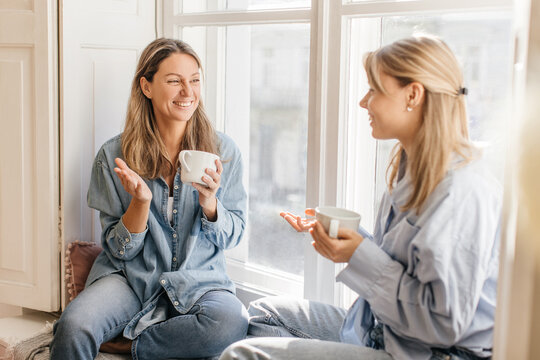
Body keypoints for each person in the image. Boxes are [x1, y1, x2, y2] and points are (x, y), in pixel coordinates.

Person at [219, 35, 501, 360]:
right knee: (267, 314)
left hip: (431, 352)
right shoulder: (410, 167)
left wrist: (360, 255)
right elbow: (403, 264)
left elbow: (442, 323)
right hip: (388, 333)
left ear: (413, 95)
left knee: (243, 355)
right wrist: (349, 243)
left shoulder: (462, 192)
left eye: (375, 90)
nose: (363, 102)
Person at [51, 38, 249, 360]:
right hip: (129, 279)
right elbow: (118, 249)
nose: (188, 92)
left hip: (201, 279)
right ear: (146, 86)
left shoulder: (224, 153)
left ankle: (129, 345)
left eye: (194, 80)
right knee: (73, 325)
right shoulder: (113, 155)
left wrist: (211, 204)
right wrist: (140, 204)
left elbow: (236, 233)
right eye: (174, 81)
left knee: (229, 323)